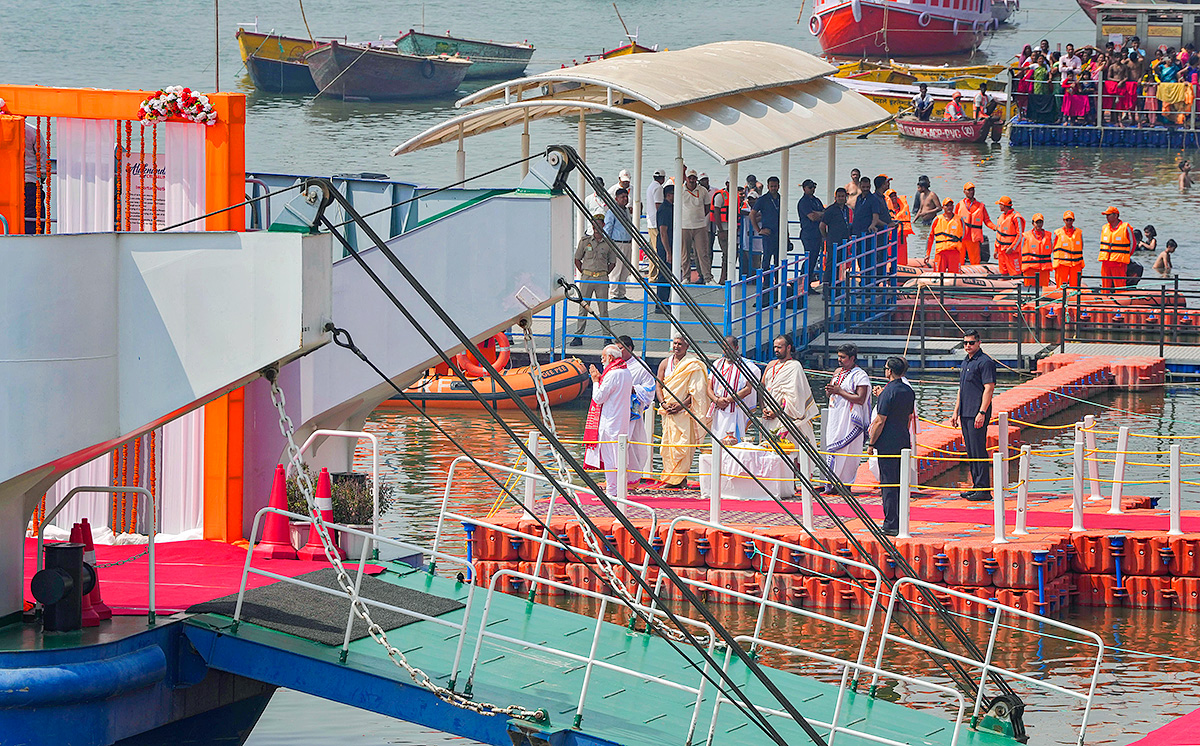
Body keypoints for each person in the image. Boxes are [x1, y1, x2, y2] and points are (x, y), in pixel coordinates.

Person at [654, 334, 711, 488]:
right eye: (675, 343)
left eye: (680, 344)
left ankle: (680, 479)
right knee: (667, 447)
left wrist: (680, 405)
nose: (676, 346)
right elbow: (659, 385)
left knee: (683, 447)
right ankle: (670, 479)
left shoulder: (693, 365)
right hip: (668, 412)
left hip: (684, 413)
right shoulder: (665, 363)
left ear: (687, 347)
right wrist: (663, 403)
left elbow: (697, 393)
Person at [867, 356, 916, 536]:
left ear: (889, 371)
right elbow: (909, 416)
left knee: (888, 483)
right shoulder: (908, 391)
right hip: (903, 438)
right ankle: (901, 519)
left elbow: (880, 420)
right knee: (901, 482)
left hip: (887, 442)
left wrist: (871, 443)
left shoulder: (888, 392)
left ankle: (890, 523)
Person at [951, 330, 996, 501]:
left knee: (978, 449)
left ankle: (984, 489)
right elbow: (961, 389)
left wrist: (982, 412)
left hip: (977, 412)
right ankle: (976, 485)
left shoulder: (985, 362)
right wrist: (955, 411)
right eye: (965, 343)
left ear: (979, 343)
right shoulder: (965, 361)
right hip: (965, 412)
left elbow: (989, 388)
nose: (968, 346)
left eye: (971, 343)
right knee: (970, 450)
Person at [822, 343, 872, 495]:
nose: (840, 360)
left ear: (852, 358)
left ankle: (845, 486)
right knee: (833, 450)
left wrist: (839, 391)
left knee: (848, 453)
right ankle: (831, 484)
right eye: (838, 357)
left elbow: (860, 399)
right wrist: (830, 391)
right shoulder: (837, 372)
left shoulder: (860, 375)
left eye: (843, 357)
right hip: (836, 417)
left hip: (850, 421)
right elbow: (831, 394)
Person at [583, 344, 633, 492]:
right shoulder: (626, 372)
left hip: (610, 423)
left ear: (610, 357)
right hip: (620, 421)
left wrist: (595, 380)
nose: (602, 360)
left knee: (611, 460)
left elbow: (598, 398)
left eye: (603, 357)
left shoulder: (612, 374)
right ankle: (618, 490)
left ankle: (613, 491)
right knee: (619, 458)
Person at [760, 333, 818, 449]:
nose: (776, 350)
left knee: (789, 453)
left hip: (786, 418)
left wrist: (777, 412)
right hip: (768, 416)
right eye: (775, 347)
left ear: (788, 348)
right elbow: (761, 388)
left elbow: (794, 398)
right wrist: (763, 409)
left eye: (779, 347)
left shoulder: (795, 366)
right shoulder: (771, 365)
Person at [571, 214, 619, 346]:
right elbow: (577, 259)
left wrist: (603, 274)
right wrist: (585, 273)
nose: (596, 227)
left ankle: (606, 336)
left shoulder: (608, 243)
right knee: (583, 307)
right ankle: (578, 336)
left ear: (603, 225)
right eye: (594, 225)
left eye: (598, 224)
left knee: (603, 308)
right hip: (587, 277)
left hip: (602, 278)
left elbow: (612, 262)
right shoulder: (585, 241)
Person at [617, 335, 657, 487]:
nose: (618, 352)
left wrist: (634, 389)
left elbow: (649, 388)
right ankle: (617, 477)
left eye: (621, 348)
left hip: (632, 412)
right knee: (615, 445)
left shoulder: (641, 367)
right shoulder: (615, 365)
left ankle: (632, 478)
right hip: (616, 412)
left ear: (629, 348)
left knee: (633, 445)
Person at [707, 335, 761, 444]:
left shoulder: (746, 366)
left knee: (733, 442)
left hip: (735, 410)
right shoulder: (717, 364)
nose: (726, 351)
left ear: (736, 348)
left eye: (729, 348)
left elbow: (748, 389)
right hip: (718, 409)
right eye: (724, 348)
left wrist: (728, 400)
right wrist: (717, 400)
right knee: (717, 441)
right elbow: (709, 387)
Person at [680, 169, 712, 283]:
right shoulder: (680, 190)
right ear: (686, 178)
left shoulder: (703, 190)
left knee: (703, 253)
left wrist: (699, 217)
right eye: (690, 178)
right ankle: (686, 277)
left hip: (700, 226)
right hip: (685, 226)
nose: (692, 180)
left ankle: (707, 277)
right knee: (685, 254)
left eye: (694, 178)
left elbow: (707, 207)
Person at [955, 182, 996, 266]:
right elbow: (954, 221)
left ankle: (976, 277)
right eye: (969, 190)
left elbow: (987, 221)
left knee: (975, 263)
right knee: (958, 261)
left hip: (973, 239)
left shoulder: (980, 206)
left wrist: (995, 228)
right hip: (961, 238)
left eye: (972, 190)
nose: (971, 192)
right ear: (964, 192)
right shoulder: (959, 205)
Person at [604, 188, 635, 299]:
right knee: (616, 269)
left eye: (626, 197)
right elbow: (608, 227)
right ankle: (613, 293)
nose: (625, 199)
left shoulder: (626, 210)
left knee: (625, 270)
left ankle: (621, 293)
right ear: (616, 198)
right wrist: (608, 244)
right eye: (622, 197)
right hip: (617, 243)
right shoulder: (612, 211)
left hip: (627, 243)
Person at [819, 188, 852, 288]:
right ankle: (827, 287)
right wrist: (826, 237)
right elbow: (822, 225)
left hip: (844, 241)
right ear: (835, 197)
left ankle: (837, 286)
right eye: (839, 196)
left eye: (843, 196)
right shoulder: (830, 210)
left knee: (841, 265)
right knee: (830, 265)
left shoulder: (846, 209)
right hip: (833, 241)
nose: (841, 198)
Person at [797, 179, 826, 290]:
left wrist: (819, 214)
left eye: (814, 187)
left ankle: (807, 284)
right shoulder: (803, 202)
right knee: (809, 259)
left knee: (813, 259)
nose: (812, 189)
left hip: (817, 233)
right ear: (804, 189)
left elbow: (825, 213)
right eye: (810, 187)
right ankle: (803, 283)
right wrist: (819, 214)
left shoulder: (816, 200)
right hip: (808, 233)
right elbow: (812, 217)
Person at [1098, 206, 1135, 290]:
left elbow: (1133, 244)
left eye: (1108, 215)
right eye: (1106, 215)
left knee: (1120, 285)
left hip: (1119, 262)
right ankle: (1105, 300)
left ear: (1116, 216)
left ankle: (1121, 300)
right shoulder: (1104, 228)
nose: (1106, 217)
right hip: (1106, 262)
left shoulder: (1125, 227)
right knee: (1105, 285)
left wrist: (1125, 255)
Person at [751, 176, 784, 269]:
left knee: (779, 259)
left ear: (779, 186)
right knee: (767, 258)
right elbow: (752, 214)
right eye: (771, 186)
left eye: (775, 186)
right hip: (768, 232)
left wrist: (787, 233)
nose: (773, 188)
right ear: (768, 186)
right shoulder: (763, 199)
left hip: (780, 232)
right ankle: (766, 282)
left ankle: (778, 280)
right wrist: (759, 230)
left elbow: (784, 217)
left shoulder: (781, 199)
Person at [927, 198, 965, 273]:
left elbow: (963, 236)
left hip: (954, 252)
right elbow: (930, 238)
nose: (949, 207)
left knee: (954, 277)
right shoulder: (937, 219)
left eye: (951, 205)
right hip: (940, 252)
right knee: (938, 276)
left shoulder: (960, 220)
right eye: (947, 206)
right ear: (943, 207)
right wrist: (927, 254)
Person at [992, 196, 1025, 277]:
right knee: (1003, 272)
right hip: (1001, 250)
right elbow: (999, 234)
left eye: (1000, 204)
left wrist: (1012, 248)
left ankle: (1018, 287)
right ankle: (1004, 286)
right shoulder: (1001, 217)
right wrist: (996, 249)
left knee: (1015, 273)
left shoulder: (1016, 217)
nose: (999, 206)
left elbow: (1020, 234)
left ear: (1004, 205)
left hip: (1011, 251)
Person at [1052, 210, 1085, 289]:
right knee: (1061, 287)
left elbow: (1082, 246)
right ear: (1064, 220)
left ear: (1073, 220)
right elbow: (1052, 246)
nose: (1069, 222)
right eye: (1067, 220)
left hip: (1076, 264)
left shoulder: (1079, 232)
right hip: (1062, 263)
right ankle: (1060, 300)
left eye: (1071, 220)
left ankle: (1074, 300)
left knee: (1075, 287)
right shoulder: (1057, 233)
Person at [654, 185, 674, 308]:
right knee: (664, 274)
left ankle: (665, 301)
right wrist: (668, 252)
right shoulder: (664, 209)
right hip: (665, 246)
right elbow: (663, 232)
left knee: (668, 274)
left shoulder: (671, 208)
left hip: (670, 244)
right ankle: (661, 303)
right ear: (668, 194)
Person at [1021, 213, 1054, 288]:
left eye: (1040, 222)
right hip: (1030, 268)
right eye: (1037, 222)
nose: (1039, 224)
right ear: (1033, 223)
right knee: (1029, 289)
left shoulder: (1048, 236)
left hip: (1044, 268)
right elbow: (1020, 251)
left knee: (1044, 289)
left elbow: (1052, 249)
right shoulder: (1026, 236)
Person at [645, 169, 666, 279]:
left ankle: (652, 274)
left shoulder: (650, 186)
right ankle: (655, 276)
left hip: (650, 221)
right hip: (656, 223)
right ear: (663, 178)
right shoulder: (658, 188)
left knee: (653, 250)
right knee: (658, 250)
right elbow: (658, 205)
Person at [711, 180, 732, 283]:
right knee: (726, 254)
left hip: (733, 230)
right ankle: (722, 279)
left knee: (733, 254)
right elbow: (716, 213)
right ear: (726, 183)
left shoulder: (735, 195)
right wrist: (721, 230)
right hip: (724, 230)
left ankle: (728, 276)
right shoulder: (720, 196)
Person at [884, 189, 912, 265]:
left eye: (894, 195)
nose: (893, 197)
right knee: (890, 259)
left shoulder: (903, 208)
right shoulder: (886, 210)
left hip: (902, 238)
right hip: (891, 238)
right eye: (891, 196)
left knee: (902, 261)